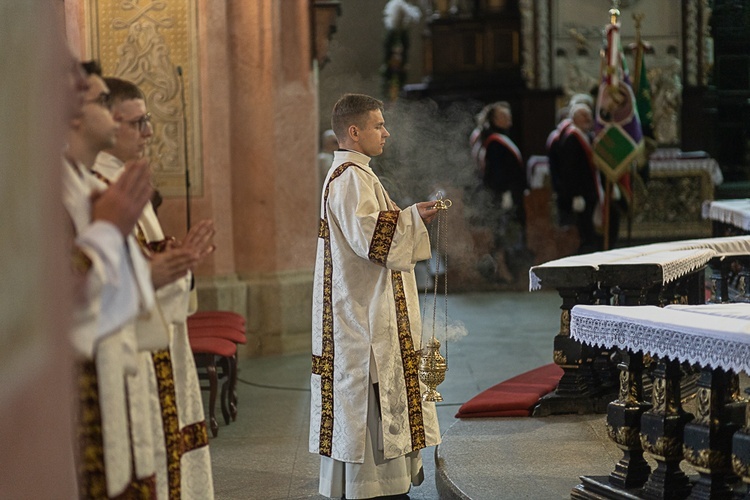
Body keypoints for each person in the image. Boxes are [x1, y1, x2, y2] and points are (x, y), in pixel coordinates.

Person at [310, 93, 441, 499]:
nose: (386, 132)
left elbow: (375, 230)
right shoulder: (349, 178)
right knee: (367, 408)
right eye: (378, 125)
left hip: (364, 310)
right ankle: (372, 490)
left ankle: (380, 486)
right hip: (361, 320)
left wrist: (410, 216)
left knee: (372, 405)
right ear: (354, 131)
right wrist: (414, 219)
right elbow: (373, 242)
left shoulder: (359, 174)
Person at [92, 77, 216, 498]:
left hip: (149, 339)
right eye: (139, 123)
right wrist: (154, 274)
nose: (148, 133)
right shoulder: (98, 188)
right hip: (118, 350)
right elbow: (89, 278)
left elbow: (135, 261)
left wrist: (175, 262)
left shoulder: (124, 183)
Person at [63, 60, 158, 498]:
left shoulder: (84, 183)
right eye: (102, 102)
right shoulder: (47, 186)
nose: (142, 130)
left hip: (109, 363)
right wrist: (107, 231)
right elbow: (58, 296)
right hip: (76, 386)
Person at [556, 103, 603, 254]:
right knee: (584, 232)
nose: (588, 118)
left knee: (591, 230)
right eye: (583, 115)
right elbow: (569, 170)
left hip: (589, 192)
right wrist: (575, 194)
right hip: (580, 194)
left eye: (589, 114)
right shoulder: (572, 138)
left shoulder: (587, 136)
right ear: (574, 118)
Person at [317, 128, 338, 192]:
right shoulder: (324, 158)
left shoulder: (331, 157)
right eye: (335, 142)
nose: (338, 145)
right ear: (327, 143)